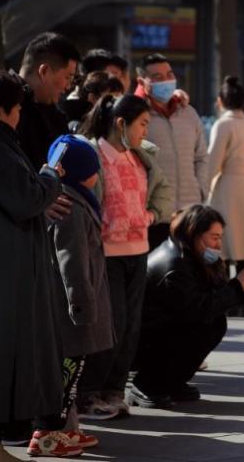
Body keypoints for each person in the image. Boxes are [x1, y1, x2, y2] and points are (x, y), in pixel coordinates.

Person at [0, 72, 74, 458]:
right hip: (9, 268)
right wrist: (48, 176)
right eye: (16, 109)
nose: (19, 117)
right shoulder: (1, 146)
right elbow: (25, 199)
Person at [75, 95, 159, 418]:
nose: (145, 131)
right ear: (121, 123)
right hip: (107, 254)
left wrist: (152, 214)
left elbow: (162, 190)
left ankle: (114, 390)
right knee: (111, 325)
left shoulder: (140, 156)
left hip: (138, 251)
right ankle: (89, 394)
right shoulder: (94, 154)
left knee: (130, 328)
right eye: (142, 124)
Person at [132, 205, 244, 408]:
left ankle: (171, 381)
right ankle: (148, 383)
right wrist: (238, 285)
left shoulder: (192, 255)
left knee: (214, 323)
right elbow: (198, 309)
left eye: (220, 237)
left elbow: (215, 300)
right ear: (195, 234)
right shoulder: (176, 263)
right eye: (214, 237)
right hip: (144, 339)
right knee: (201, 326)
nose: (218, 244)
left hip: (162, 329)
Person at [45, 134, 113, 453]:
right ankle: (51, 434)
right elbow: (70, 259)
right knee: (67, 374)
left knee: (72, 374)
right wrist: (82, 307)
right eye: (93, 169)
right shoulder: (69, 206)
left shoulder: (73, 198)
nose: (97, 175)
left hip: (74, 303)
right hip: (71, 308)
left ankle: (68, 429)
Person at [136, 53, 209, 250]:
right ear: (142, 82)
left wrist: (201, 190)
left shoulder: (188, 113)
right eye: (158, 77)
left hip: (189, 213)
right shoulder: (137, 117)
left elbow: (202, 156)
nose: (166, 81)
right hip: (154, 216)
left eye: (169, 74)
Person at [206, 77, 244, 318]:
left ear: (220, 101)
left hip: (227, 186)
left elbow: (213, 161)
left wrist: (204, 186)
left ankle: (228, 299)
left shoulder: (223, 125)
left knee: (224, 246)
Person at [16, 32, 80, 170]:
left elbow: (56, 164)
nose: (68, 86)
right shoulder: (7, 106)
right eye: (68, 77)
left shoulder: (58, 119)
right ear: (44, 71)